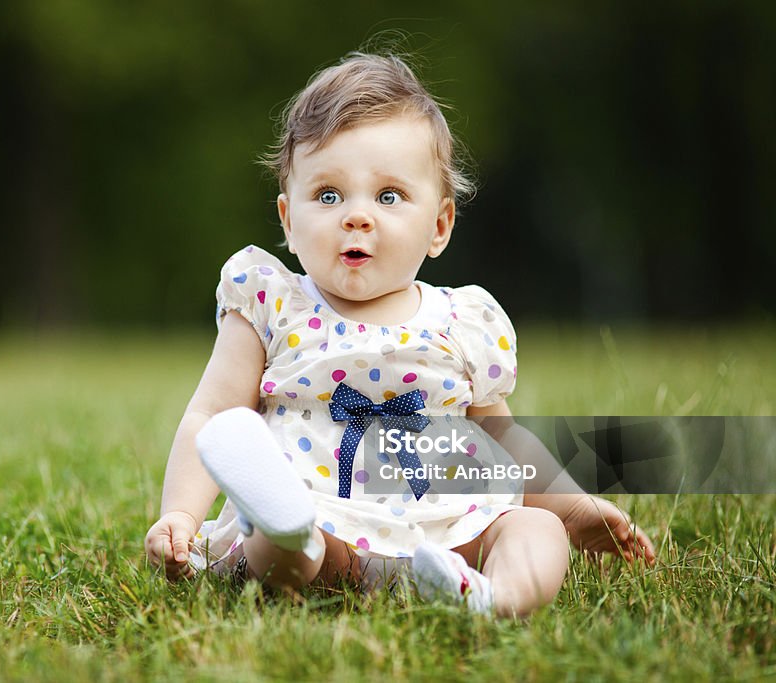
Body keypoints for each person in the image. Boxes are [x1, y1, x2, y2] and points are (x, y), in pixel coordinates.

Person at [145, 52, 655, 617]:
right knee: (286, 537)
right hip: (321, 517)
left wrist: (572, 508)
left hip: (444, 527)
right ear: (289, 221)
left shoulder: (462, 322)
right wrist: (181, 517)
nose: (356, 217)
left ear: (438, 226)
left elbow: (507, 441)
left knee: (534, 527)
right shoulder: (272, 305)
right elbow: (212, 419)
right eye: (329, 195)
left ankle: (492, 596)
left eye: (388, 197)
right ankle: (285, 537)